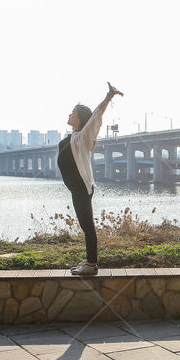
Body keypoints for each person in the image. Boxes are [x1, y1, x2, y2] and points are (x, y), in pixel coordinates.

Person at [57, 82, 123, 275]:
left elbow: (96, 115)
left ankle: (92, 265)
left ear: (79, 118)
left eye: (72, 113)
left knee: (88, 226)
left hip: (82, 187)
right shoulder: (74, 137)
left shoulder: (83, 137)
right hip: (76, 188)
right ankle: (88, 261)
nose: (69, 115)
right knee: (85, 225)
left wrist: (108, 97)